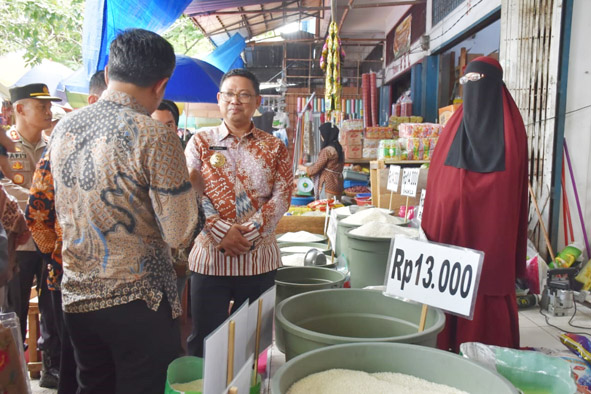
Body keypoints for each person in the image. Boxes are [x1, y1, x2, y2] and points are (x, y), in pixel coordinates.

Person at [48, 29, 199, 393]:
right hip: (138, 302)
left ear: (110, 70)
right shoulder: (155, 136)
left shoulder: (64, 127)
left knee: (93, 386)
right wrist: (193, 193)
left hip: (77, 298)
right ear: (161, 85)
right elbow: (179, 232)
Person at [421, 56, 528, 353]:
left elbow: (511, 193)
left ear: (495, 85)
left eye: (477, 82)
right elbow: (438, 184)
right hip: (449, 237)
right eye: (466, 82)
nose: (471, 88)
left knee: (486, 279)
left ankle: (487, 353)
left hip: (490, 232)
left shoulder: (512, 131)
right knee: (449, 283)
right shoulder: (453, 129)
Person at [185, 68, 293, 357]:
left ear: (256, 102)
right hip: (210, 260)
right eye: (230, 94)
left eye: (244, 95)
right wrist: (221, 232)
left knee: (254, 343)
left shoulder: (274, 147)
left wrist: (251, 232)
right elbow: (190, 192)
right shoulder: (200, 142)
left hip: (259, 261)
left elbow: (283, 195)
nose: (236, 100)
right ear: (220, 99)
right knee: (205, 342)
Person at [26, 69, 108, 393]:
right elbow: (37, 211)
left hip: (120, 283)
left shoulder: (135, 148)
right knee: (74, 366)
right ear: (93, 102)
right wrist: (57, 257)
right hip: (69, 278)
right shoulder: (63, 148)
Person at [3, 83, 62, 388]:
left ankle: (53, 368)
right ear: (20, 109)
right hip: (17, 246)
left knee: (53, 309)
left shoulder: (56, 144)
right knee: (13, 309)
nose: (49, 112)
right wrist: (41, 199)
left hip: (50, 243)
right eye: (42, 106)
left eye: (50, 106)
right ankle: (13, 372)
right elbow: (5, 190)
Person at [152, 99, 205, 301]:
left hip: (177, 261)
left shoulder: (187, 163)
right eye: (157, 125)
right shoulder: (137, 163)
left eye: (169, 125)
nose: (164, 132)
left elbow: (194, 216)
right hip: (147, 262)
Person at [299, 122, 344, 200]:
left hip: (328, 184)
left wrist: (303, 168)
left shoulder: (327, 151)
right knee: (336, 207)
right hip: (338, 184)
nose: (321, 136)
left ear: (327, 135)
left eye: (322, 134)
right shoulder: (339, 148)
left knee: (325, 208)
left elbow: (314, 169)